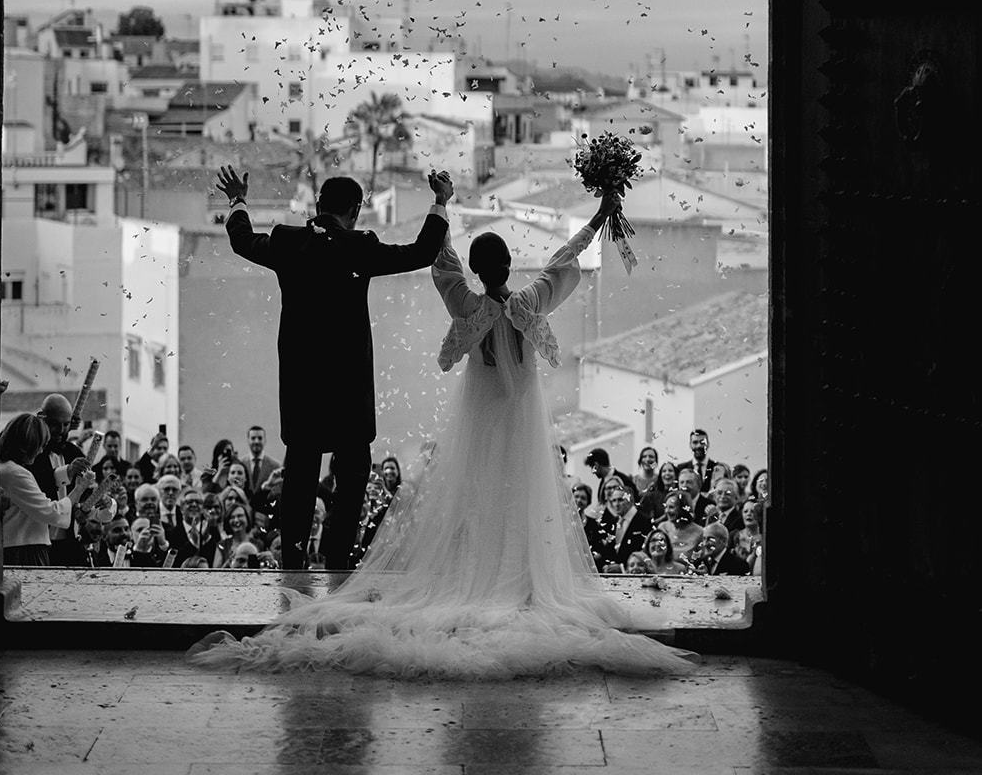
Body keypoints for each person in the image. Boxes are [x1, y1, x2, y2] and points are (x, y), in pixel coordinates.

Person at [190, 189, 696, 679]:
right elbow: (564, 261)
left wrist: (443, 206)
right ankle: (519, 584)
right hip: (519, 428)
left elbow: (440, 262)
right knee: (519, 502)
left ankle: (345, 569)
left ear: (478, 269)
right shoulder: (531, 303)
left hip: (467, 425)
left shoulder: (466, 309)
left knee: (465, 504)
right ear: (507, 264)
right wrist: (600, 214)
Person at [213, 163, 453, 571]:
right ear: (355, 211)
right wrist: (440, 201)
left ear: (319, 204)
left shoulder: (288, 243)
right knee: (354, 474)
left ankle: (292, 562)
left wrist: (238, 200)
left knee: (301, 474)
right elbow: (420, 252)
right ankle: (338, 562)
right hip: (348, 388)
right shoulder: (358, 247)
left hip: (302, 386)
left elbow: (241, 242)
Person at [0, 413, 95, 566]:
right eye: (41, 446)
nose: (39, 453)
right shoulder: (15, 473)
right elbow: (51, 512)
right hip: (24, 551)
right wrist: (79, 489)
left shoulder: (4, 468)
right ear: (28, 445)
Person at [30, 393, 87, 565]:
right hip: (38, 543)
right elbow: (38, 482)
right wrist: (67, 471)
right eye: (54, 424)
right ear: (42, 418)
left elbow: (86, 494)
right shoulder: (33, 453)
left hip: (70, 543)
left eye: (66, 424)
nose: (61, 431)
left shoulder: (74, 453)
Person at [242, 424, 279, 496]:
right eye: (253, 438)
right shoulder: (240, 464)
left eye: (260, 438)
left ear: (265, 440)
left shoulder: (275, 466)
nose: (256, 441)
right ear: (248, 440)